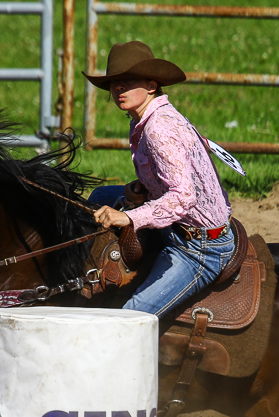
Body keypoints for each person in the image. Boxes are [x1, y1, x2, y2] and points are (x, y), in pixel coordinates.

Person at [84, 40, 235, 318]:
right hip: (181, 227)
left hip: (199, 246)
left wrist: (130, 218)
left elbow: (184, 196)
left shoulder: (159, 129)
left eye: (129, 81)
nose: (119, 88)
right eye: (115, 82)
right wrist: (142, 189)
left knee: (132, 319)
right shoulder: (145, 118)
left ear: (151, 86)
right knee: (98, 199)